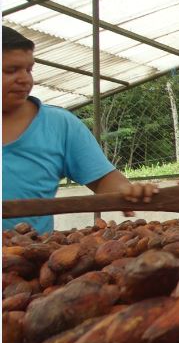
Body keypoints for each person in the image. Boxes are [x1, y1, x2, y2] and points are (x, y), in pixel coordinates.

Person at [3, 26, 157, 233]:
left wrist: (127, 192)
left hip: (30, 254)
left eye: (29, 70)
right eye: (11, 70)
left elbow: (103, 179)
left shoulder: (59, 124)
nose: (25, 79)